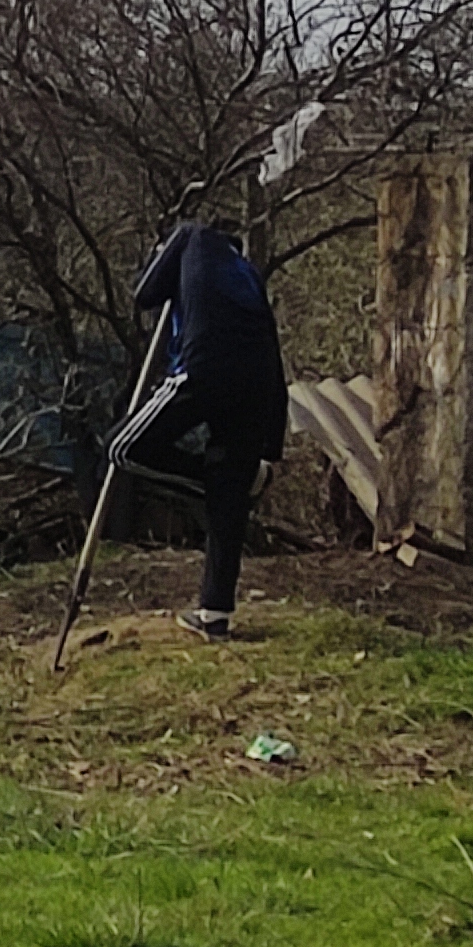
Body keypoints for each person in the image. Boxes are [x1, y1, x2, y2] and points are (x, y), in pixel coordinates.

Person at [121, 207, 290, 639]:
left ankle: (222, 481)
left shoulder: (190, 236)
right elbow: (273, 350)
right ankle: (214, 615)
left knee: (123, 449)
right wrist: (270, 445)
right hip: (259, 384)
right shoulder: (247, 276)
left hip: (202, 368)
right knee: (229, 497)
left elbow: (144, 293)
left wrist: (165, 256)